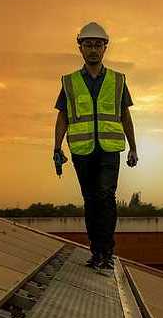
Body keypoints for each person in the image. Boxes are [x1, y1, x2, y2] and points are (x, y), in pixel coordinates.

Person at [53, 21, 138, 271]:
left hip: (109, 149)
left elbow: (125, 115)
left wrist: (133, 147)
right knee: (90, 200)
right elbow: (63, 116)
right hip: (82, 150)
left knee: (105, 197)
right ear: (80, 48)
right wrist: (56, 148)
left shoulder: (118, 80)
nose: (93, 49)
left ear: (105, 48)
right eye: (88, 44)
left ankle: (106, 251)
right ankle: (96, 250)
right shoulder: (69, 82)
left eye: (98, 45)